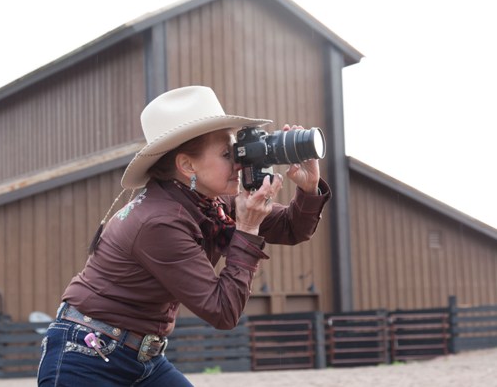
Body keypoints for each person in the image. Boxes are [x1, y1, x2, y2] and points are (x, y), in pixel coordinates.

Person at [37, 85, 331, 386]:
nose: (240, 161)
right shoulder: (158, 221)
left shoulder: (210, 200)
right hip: (86, 358)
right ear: (187, 165)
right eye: (228, 153)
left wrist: (308, 188)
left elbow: (292, 229)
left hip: (141, 356)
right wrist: (246, 228)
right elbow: (222, 311)